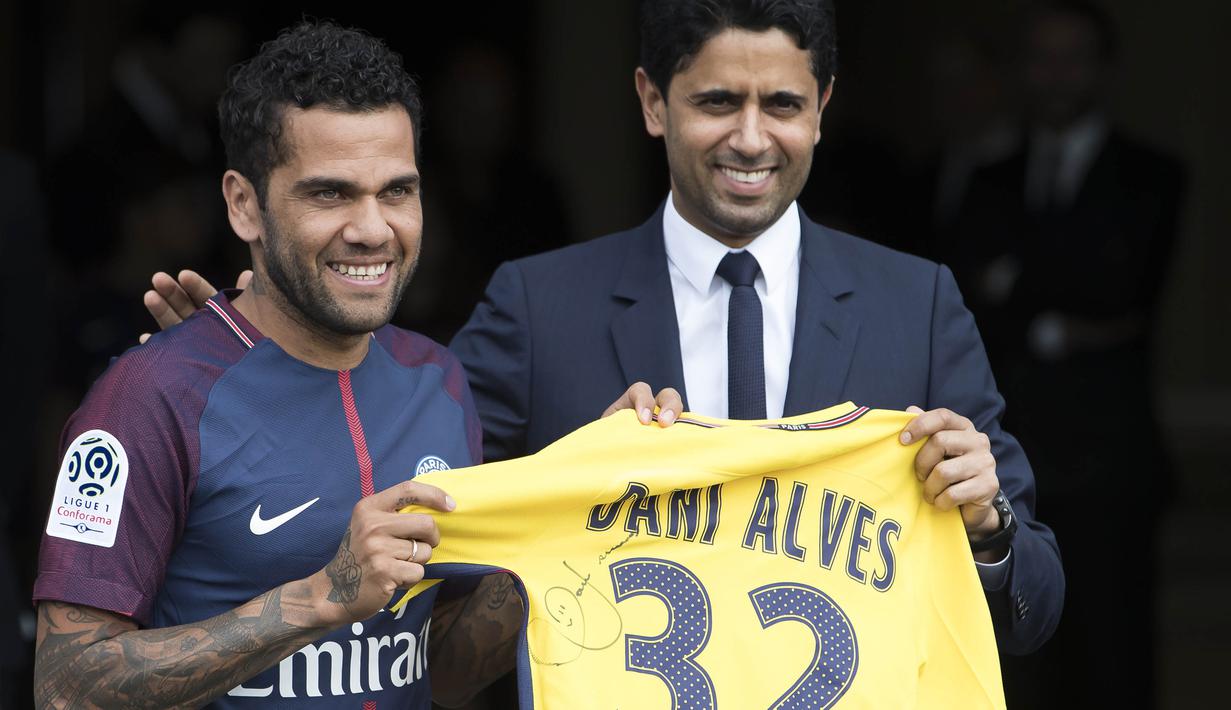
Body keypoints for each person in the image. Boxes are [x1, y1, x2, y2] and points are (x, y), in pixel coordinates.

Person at [144, 0, 1062, 660]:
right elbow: (385, 470)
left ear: (821, 108)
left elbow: (1034, 609)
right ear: (652, 102)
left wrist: (985, 527)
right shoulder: (539, 308)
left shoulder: (919, 303)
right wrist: (249, 367)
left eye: (780, 105)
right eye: (714, 103)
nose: (750, 138)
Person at [33, 21, 671, 709]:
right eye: (329, 193)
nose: (373, 229)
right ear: (244, 205)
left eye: (397, 191)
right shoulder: (149, 395)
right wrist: (319, 597)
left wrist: (583, 513)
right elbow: (67, 687)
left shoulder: (439, 382)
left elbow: (442, 672)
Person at [945, 2, 1184, 705]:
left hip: (1110, 463)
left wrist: (1015, 283)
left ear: (1103, 69)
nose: (1055, 76)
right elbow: (963, 298)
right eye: (1041, 58)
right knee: (1015, 667)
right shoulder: (986, 177)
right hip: (1010, 455)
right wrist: (1055, 309)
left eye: (1072, 57)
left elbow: (1124, 290)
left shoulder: (1152, 175)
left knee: (1114, 657)